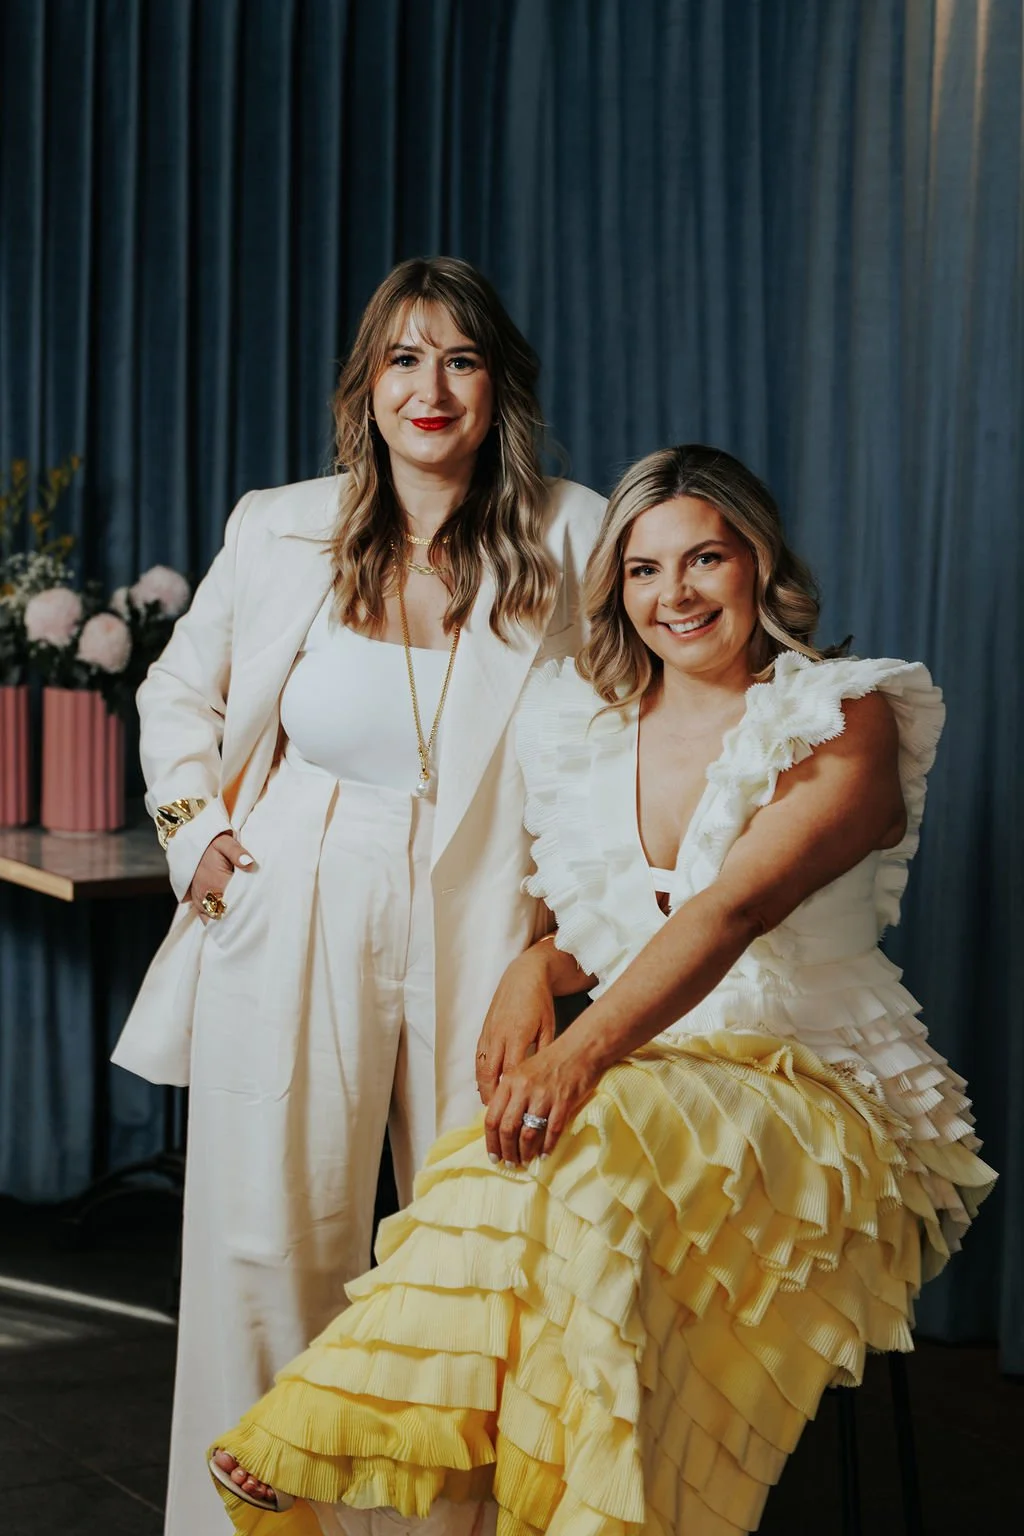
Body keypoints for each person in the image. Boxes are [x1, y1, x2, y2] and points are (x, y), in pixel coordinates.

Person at [207, 443, 994, 1536]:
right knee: (540, 1157)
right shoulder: (587, 725)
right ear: (616, 589)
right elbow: (621, 920)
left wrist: (578, 1051)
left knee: (584, 1125)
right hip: (666, 1076)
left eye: (705, 558)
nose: (675, 594)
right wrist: (537, 964)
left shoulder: (840, 717)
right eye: (643, 569)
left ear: (759, 563)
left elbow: (730, 910)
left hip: (823, 1091)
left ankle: (337, 1415)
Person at [111, 256, 606, 1536]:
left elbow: (628, 730)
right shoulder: (278, 525)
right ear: (365, 386)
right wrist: (193, 830)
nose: (429, 387)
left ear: (498, 386)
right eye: (403, 358)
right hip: (297, 884)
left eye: (460, 359)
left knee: (470, 1249)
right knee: (263, 1242)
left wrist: (563, 944)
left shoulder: (576, 531)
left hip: (491, 904)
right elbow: (178, 691)